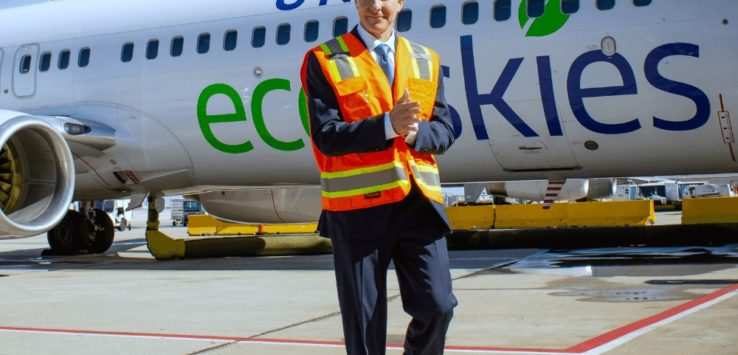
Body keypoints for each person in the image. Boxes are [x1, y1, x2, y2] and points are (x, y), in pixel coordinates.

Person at [300, 0, 457, 353]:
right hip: (357, 212)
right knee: (364, 325)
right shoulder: (324, 59)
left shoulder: (426, 59)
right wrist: (389, 125)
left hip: (419, 206)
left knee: (439, 307)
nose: (375, 6)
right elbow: (326, 135)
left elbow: (445, 130)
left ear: (400, 2)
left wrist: (415, 133)